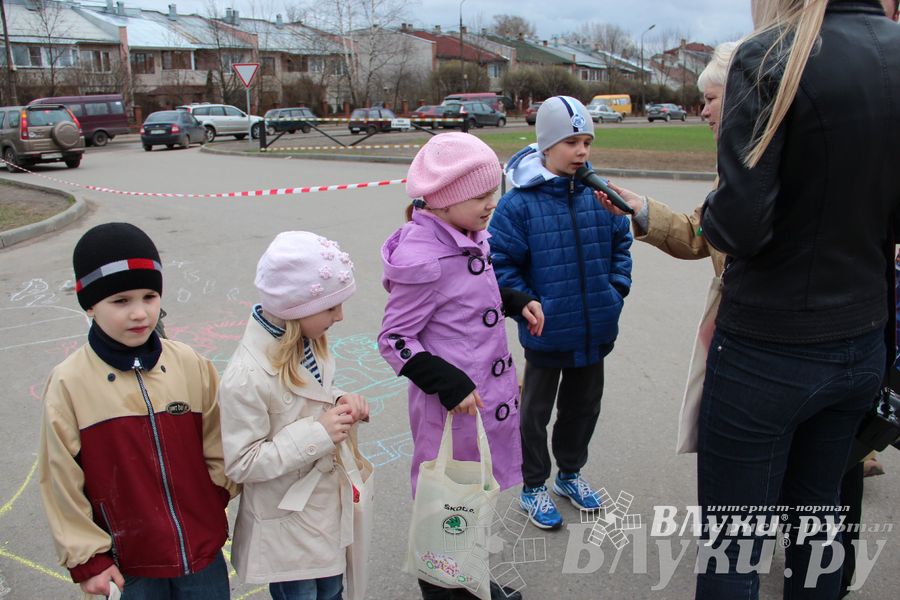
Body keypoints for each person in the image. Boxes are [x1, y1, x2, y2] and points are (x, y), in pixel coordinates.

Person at [696, 1, 900, 598]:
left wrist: (712, 209)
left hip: (769, 347)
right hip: (862, 335)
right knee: (818, 519)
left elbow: (739, 227)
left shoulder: (769, 55)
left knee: (735, 545)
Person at [378, 132, 542, 600]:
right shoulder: (424, 256)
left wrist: (513, 301)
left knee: (474, 500)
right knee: (446, 507)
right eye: (480, 195)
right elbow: (394, 339)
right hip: (452, 412)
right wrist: (446, 383)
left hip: (483, 404)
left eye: (494, 191)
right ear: (445, 199)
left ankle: (470, 580)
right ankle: (443, 590)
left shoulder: (467, 234)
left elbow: (465, 298)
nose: (492, 203)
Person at [38, 222, 239, 598]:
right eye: (121, 301)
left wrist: (212, 499)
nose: (140, 313)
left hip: (200, 554)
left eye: (149, 296)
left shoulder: (189, 364)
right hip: (128, 566)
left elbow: (220, 439)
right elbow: (60, 480)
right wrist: (89, 559)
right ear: (90, 305)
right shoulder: (69, 383)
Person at [488, 96, 633, 530]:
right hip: (547, 332)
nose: (582, 151)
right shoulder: (518, 205)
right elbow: (501, 264)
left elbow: (620, 245)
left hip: (595, 328)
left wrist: (615, 290)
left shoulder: (599, 194)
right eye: (572, 142)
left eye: (587, 141)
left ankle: (569, 473)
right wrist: (528, 304)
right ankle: (533, 485)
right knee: (534, 413)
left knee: (583, 408)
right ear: (546, 146)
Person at [218, 231, 369, 600]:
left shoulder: (307, 343)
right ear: (296, 307)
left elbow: (309, 396)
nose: (340, 316)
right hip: (286, 524)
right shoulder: (246, 376)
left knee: (332, 590)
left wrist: (340, 400)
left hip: (320, 514)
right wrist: (319, 433)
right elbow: (241, 462)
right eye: (331, 308)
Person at [598, 41, 737, 275]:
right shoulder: (731, 167)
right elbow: (699, 233)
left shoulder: (768, 167)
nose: (704, 112)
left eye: (711, 99)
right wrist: (641, 208)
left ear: (740, 97)